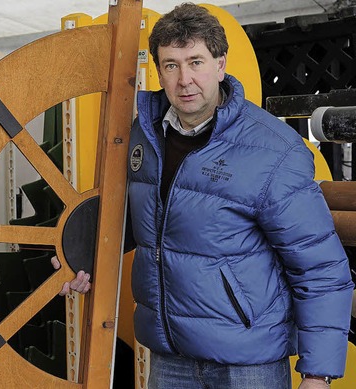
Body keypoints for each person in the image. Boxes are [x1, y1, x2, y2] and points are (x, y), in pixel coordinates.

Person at [127, 3, 354, 388]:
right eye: (171, 64)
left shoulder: (274, 150)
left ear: (220, 64)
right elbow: (133, 223)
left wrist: (318, 374)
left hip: (249, 363)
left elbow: (320, 268)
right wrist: (75, 259)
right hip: (170, 357)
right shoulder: (143, 135)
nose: (185, 79)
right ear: (159, 71)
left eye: (196, 61)